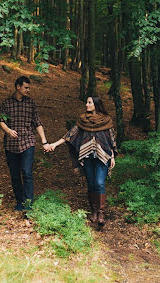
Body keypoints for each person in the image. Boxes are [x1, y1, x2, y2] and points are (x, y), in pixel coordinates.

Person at [45, 96, 116, 228]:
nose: (86, 104)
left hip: (103, 156)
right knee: (91, 183)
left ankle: (101, 213)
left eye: (89, 102)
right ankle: (94, 211)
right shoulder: (83, 120)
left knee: (100, 183)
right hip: (87, 156)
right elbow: (70, 135)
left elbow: (111, 139)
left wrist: (112, 156)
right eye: (87, 102)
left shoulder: (106, 120)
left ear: (96, 104)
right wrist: (54, 144)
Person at [0, 76, 48, 211]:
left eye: (29, 88)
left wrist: (44, 141)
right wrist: (8, 130)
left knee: (27, 172)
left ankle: (28, 204)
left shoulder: (31, 103)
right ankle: (19, 202)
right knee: (15, 175)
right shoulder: (6, 103)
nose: (28, 90)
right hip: (11, 144)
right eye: (26, 87)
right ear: (18, 87)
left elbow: (37, 123)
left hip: (28, 142)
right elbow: (1, 121)